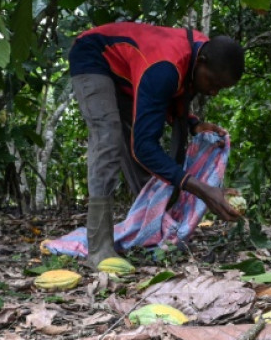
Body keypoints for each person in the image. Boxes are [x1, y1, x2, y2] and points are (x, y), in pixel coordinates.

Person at [68, 22, 245, 269]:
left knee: (145, 153)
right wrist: (203, 190)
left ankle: (151, 228)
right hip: (94, 55)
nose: (213, 92)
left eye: (220, 88)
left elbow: (171, 100)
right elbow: (143, 147)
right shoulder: (164, 68)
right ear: (202, 61)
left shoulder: (200, 55)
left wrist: (193, 124)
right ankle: (99, 247)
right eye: (212, 83)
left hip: (129, 72)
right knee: (109, 140)